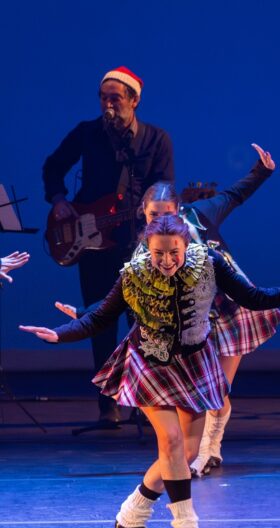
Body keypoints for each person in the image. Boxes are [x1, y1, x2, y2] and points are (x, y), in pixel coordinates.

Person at [21, 215, 280, 528]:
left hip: (194, 363)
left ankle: (130, 515)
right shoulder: (134, 274)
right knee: (169, 442)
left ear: (186, 246)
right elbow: (100, 317)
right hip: (150, 363)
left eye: (174, 252)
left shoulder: (210, 264)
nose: (166, 260)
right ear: (148, 248)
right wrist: (60, 334)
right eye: (158, 253)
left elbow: (253, 297)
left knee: (184, 454)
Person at [57, 144, 280, 477]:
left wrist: (261, 171)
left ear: (178, 209)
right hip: (191, 320)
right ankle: (199, 451)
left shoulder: (202, 214)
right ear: (143, 214)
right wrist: (82, 312)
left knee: (219, 388)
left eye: (167, 214)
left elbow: (235, 195)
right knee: (204, 390)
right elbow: (121, 295)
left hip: (229, 308)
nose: (161, 221)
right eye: (153, 215)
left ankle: (209, 451)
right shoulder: (144, 250)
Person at [43, 66, 174, 423]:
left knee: (144, 322)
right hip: (92, 243)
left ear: (134, 100)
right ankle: (109, 402)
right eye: (104, 97)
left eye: (115, 98)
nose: (108, 105)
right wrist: (58, 199)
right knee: (99, 323)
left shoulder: (155, 140)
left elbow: (164, 189)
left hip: (136, 244)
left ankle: (144, 400)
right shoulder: (87, 133)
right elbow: (52, 166)